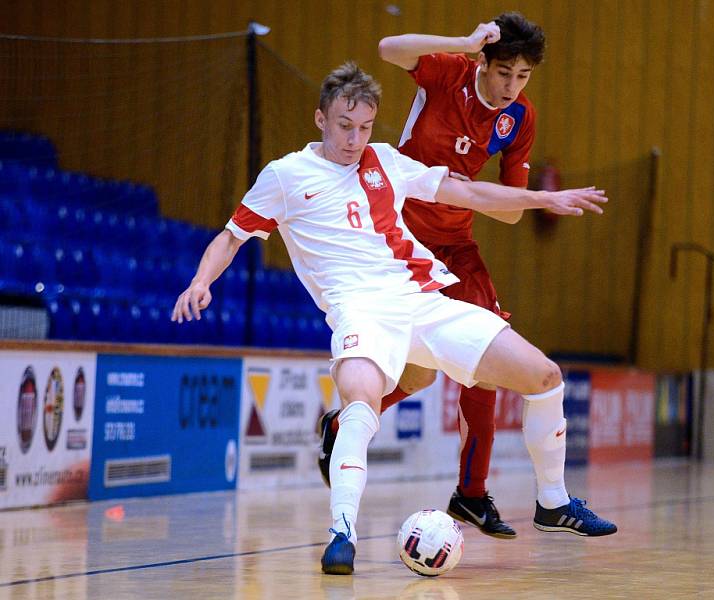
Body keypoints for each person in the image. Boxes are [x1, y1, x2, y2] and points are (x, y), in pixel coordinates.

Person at [172, 63, 616, 576]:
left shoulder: (386, 161)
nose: (354, 138)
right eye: (344, 125)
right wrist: (201, 281)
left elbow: (469, 193)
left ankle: (553, 502)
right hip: (359, 311)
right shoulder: (285, 175)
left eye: (364, 127)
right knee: (361, 402)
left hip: (421, 299)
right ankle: (342, 532)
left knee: (544, 377)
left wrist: (542, 199)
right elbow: (231, 235)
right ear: (320, 118)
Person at [316, 13, 547, 539]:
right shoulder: (447, 72)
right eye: (504, 72)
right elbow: (387, 44)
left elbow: (510, 212)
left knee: (487, 353)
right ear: (483, 63)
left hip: (457, 240)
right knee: (417, 370)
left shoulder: (519, 119)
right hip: (401, 234)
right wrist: (464, 43)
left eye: (523, 77)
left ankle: (470, 493)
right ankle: (346, 420)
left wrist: (471, 188)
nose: (512, 87)